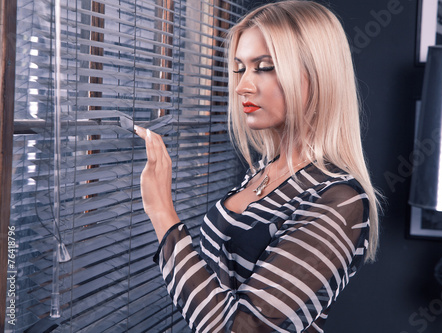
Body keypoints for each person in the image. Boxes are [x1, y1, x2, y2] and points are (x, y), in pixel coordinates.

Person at [134, 1, 380, 331]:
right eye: (240, 68)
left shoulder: (339, 200)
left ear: (316, 74)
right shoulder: (264, 171)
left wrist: (161, 210)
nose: (242, 86)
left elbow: (243, 328)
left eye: (264, 67)